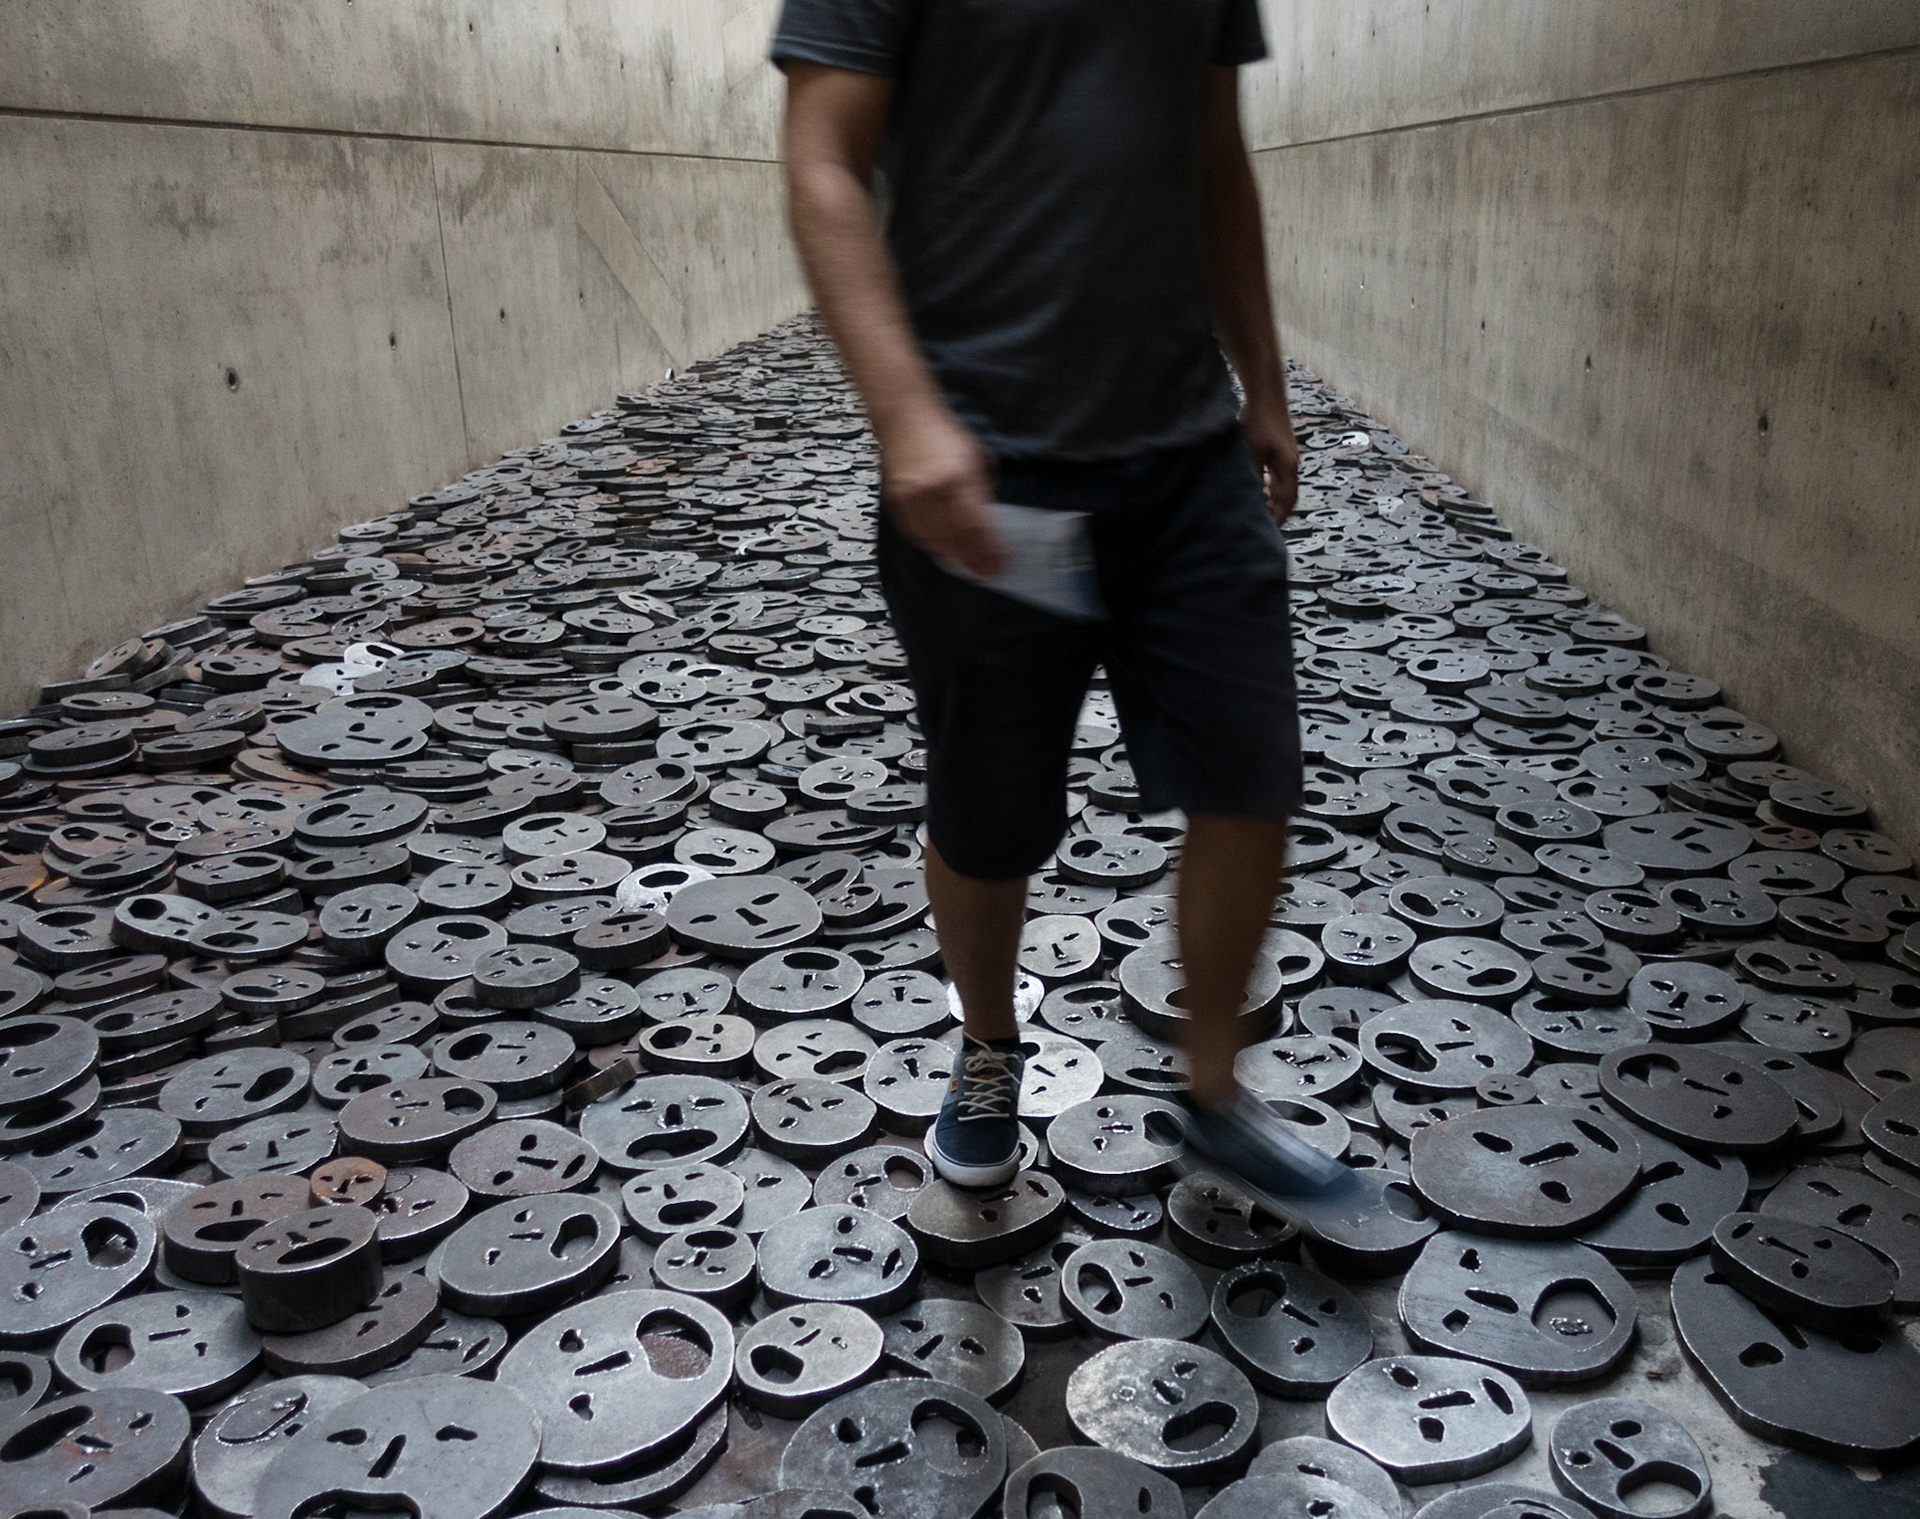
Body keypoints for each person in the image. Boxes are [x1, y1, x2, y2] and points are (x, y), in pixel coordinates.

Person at [773, 0, 1363, 1225]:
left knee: (1247, 770)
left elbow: (1214, 153)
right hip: (995, 472)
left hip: (1184, 457)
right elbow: (824, 158)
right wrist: (906, 415)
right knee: (992, 815)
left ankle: (1214, 1091)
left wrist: (1260, 377)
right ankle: (988, 1046)